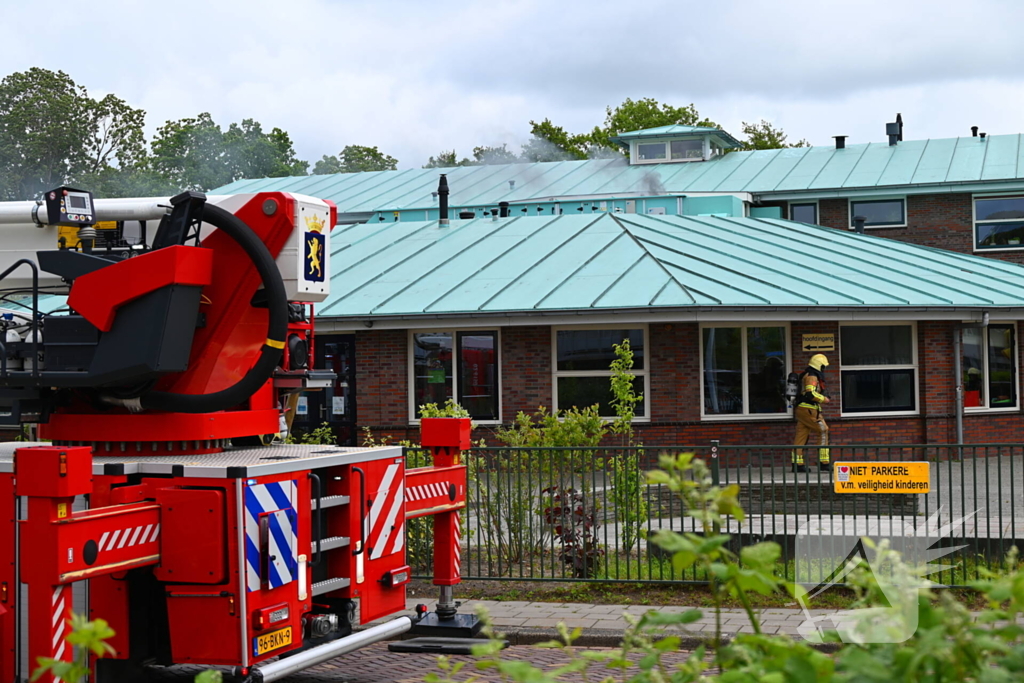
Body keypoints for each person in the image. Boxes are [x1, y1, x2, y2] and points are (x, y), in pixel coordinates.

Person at [792, 353, 831, 473]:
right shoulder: (812, 377)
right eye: (823, 366)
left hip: (802, 409)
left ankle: (797, 463)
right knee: (823, 430)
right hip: (809, 409)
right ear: (819, 365)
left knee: (801, 435)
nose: (824, 369)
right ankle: (824, 462)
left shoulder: (807, 374)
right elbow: (810, 393)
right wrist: (824, 399)